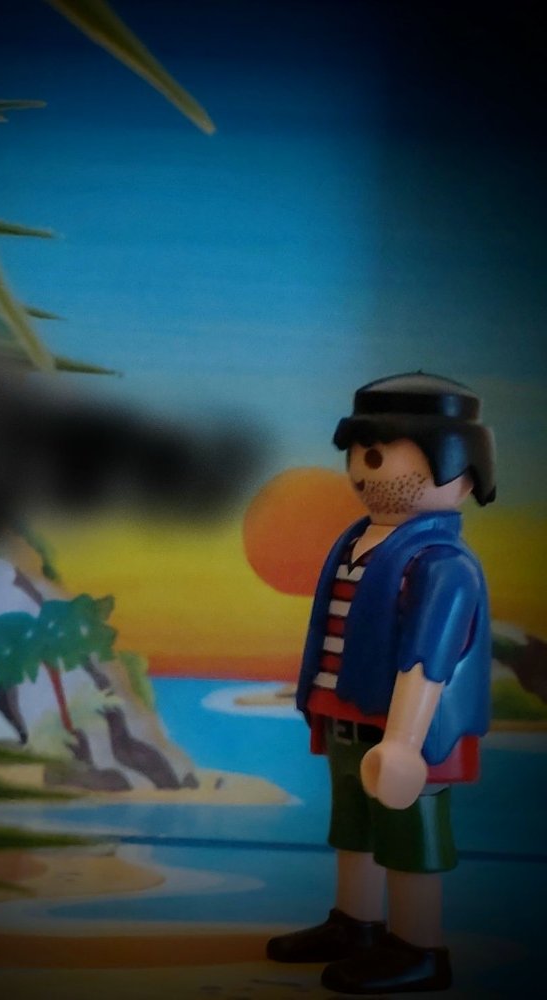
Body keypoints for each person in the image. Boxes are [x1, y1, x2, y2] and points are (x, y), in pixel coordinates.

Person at [267, 372, 495, 993]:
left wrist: (403, 742)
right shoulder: (357, 543)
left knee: (409, 836)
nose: (367, 467)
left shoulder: (442, 565)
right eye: (362, 452)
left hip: (406, 731)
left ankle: (419, 946)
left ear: (459, 468)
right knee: (355, 828)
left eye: (383, 452)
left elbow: (427, 659)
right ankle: (356, 923)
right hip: (348, 716)